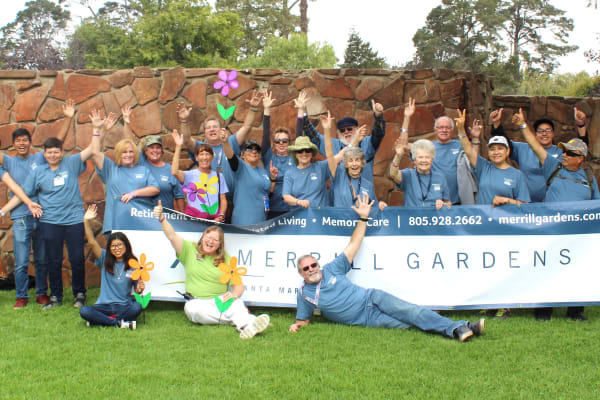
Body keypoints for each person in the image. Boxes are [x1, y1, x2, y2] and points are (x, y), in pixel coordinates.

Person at [289, 193, 484, 342]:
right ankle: (467, 326)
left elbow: (353, 245)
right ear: (301, 273)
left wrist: (363, 218)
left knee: (412, 313)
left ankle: (456, 329)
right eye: (306, 268)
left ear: (318, 264)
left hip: (372, 298)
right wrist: (297, 327)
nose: (312, 269)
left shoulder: (332, 269)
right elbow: (303, 320)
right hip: (366, 318)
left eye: (313, 264)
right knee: (407, 324)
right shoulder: (305, 294)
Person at [2, 115, 102, 309]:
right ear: (44, 154)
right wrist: (3, 210)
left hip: (73, 220)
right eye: (49, 152)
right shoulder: (38, 171)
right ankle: (55, 296)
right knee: (53, 260)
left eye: (56, 152)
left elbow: (93, 149)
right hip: (49, 222)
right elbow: (22, 193)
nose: (53, 155)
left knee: (76, 258)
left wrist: (97, 128)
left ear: (61, 153)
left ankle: (79, 294)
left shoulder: (71, 163)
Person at [512, 108, 598, 321]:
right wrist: (523, 125)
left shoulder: (589, 177)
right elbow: (534, 146)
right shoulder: (553, 167)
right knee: (546, 269)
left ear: (581, 158)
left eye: (570, 153)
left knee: (577, 271)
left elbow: (597, 207)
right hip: (552, 231)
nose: (564, 155)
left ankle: (575, 311)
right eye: (564, 152)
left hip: (578, 234)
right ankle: (543, 310)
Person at [153, 200, 270, 339]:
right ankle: (245, 322)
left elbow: (238, 286)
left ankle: (245, 325)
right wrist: (162, 218)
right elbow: (171, 235)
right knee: (193, 310)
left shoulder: (226, 259)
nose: (210, 241)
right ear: (202, 238)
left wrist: (234, 295)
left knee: (236, 304)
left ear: (220, 245)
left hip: (220, 300)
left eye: (215, 240)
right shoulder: (189, 250)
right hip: (197, 302)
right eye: (208, 237)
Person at [0, 100, 74, 308]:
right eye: (18, 141)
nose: (22, 143)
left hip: (42, 216)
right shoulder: (8, 161)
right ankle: (21, 296)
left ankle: (42, 293)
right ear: (13, 144)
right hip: (20, 217)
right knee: (22, 261)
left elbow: (56, 141)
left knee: (42, 259)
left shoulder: (40, 159)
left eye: (25, 140)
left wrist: (68, 119)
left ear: (30, 143)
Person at [490, 107, 589, 202]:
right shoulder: (522, 149)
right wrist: (497, 125)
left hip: (552, 204)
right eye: (540, 131)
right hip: (526, 203)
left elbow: (579, 149)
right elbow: (504, 143)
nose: (544, 133)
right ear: (535, 134)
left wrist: (581, 125)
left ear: (553, 133)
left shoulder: (561, 152)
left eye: (548, 130)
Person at [181, 91, 263, 199]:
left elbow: (246, 128)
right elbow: (186, 140)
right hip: (210, 201)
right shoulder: (200, 148)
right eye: (208, 128)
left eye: (215, 126)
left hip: (233, 200)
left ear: (221, 130)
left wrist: (253, 108)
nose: (212, 130)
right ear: (204, 133)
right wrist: (184, 120)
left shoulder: (231, 141)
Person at [91, 110, 160, 234]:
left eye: (130, 151)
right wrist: (98, 129)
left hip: (139, 224)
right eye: (124, 152)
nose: (128, 155)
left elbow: (155, 189)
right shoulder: (110, 169)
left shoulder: (143, 170)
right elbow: (96, 152)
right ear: (118, 154)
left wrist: (134, 193)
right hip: (115, 224)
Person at [295, 91, 386, 181]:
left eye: (349, 129)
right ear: (338, 133)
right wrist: (303, 111)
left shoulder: (367, 143)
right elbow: (312, 134)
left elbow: (378, 134)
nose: (346, 132)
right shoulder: (333, 145)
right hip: (339, 194)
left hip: (363, 194)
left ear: (357, 129)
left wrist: (378, 117)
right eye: (342, 130)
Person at [79, 204, 144, 329]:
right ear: (109, 248)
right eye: (113, 246)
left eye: (120, 245)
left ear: (126, 246)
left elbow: (137, 289)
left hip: (124, 306)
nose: (117, 248)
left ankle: (103, 321)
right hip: (104, 306)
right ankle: (118, 322)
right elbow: (92, 241)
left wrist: (140, 288)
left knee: (137, 307)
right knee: (85, 311)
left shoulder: (133, 263)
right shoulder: (104, 258)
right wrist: (86, 221)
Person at [457, 110, 530, 207]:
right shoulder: (484, 167)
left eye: (500, 149)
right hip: (484, 219)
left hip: (505, 220)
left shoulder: (517, 175)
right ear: (488, 152)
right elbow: (469, 151)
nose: (496, 152)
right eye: (492, 149)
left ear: (507, 151)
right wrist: (461, 129)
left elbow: (525, 205)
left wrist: (507, 200)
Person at [121, 105, 185, 212]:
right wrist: (127, 123)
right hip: (144, 220)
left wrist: (183, 219)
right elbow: (130, 144)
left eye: (158, 148)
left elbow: (179, 195)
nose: (155, 151)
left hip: (166, 219)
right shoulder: (140, 162)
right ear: (145, 151)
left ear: (162, 151)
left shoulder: (170, 169)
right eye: (151, 148)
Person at [322, 111, 387, 210]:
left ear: (362, 163)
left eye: (357, 160)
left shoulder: (368, 185)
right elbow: (330, 155)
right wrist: (327, 130)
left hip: (361, 223)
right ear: (346, 164)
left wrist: (381, 205)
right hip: (340, 223)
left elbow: (374, 208)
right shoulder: (338, 176)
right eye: (351, 160)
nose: (354, 164)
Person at [172, 130, 228, 221]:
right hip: (194, 221)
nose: (204, 157)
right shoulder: (189, 175)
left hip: (214, 221)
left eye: (207, 154)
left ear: (212, 157)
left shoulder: (219, 176)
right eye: (201, 154)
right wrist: (178, 146)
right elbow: (174, 171)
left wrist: (221, 215)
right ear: (196, 158)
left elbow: (223, 199)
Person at [224, 131, 275, 226]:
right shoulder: (241, 167)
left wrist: (273, 179)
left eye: (257, 150)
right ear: (243, 154)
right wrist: (225, 142)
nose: (254, 151)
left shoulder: (262, 171)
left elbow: (267, 194)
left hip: (261, 220)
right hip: (244, 220)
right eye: (249, 149)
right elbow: (231, 157)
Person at [389, 138, 451, 209]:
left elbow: (449, 204)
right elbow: (393, 174)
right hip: (412, 218)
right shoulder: (408, 174)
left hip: (434, 218)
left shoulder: (440, 177)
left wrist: (444, 204)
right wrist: (398, 155)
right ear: (414, 160)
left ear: (432, 160)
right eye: (420, 157)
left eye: (427, 157)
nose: (424, 160)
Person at [261, 91, 295, 218]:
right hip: (272, 209)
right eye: (278, 141)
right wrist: (266, 110)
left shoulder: (296, 158)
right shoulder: (269, 157)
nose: (281, 143)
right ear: (274, 143)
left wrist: (302, 110)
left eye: (285, 140)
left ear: (289, 143)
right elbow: (265, 135)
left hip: (292, 209)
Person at [282, 136, 330, 210]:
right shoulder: (289, 173)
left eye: (307, 150)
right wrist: (299, 202)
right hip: (300, 217)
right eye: (300, 151)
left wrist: (352, 142)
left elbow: (337, 158)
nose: (304, 153)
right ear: (295, 154)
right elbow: (286, 196)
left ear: (311, 153)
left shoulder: (321, 167)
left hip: (320, 216)